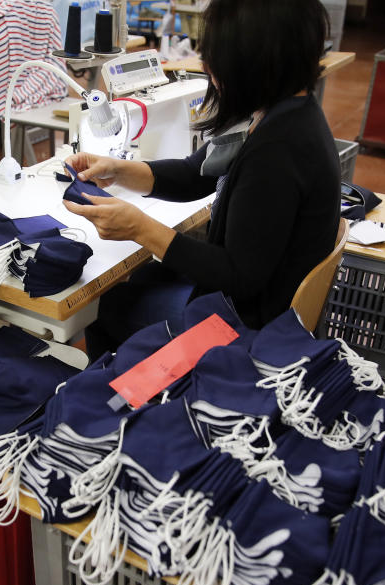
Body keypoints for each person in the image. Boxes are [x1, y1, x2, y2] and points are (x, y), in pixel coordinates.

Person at [63, 0, 341, 360]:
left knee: (109, 306)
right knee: (138, 282)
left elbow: (237, 276)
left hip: (247, 327)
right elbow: (198, 172)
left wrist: (139, 228)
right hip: (255, 301)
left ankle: (125, 405)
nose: (207, 66)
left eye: (219, 57)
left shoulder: (279, 150)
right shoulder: (278, 113)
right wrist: (117, 169)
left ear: (257, 60)